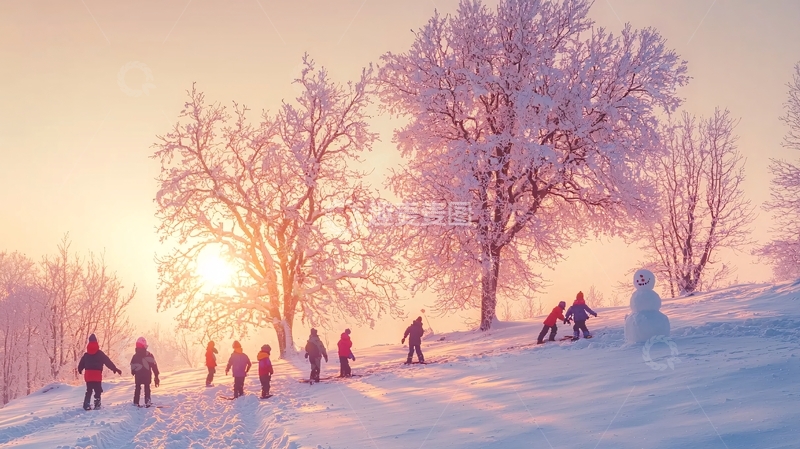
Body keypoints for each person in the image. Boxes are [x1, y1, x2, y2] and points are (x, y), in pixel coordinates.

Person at [77, 333, 122, 410]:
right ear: (96, 342)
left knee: (89, 390)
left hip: (88, 375)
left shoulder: (86, 355)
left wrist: (80, 369)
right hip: (97, 375)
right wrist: (114, 369)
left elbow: (81, 364)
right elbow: (107, 361)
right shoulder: (100, 354)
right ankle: (97, 404)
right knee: (97, 391)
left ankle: (86, 404)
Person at [130, 336, 160, 407]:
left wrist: (133, 372)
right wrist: (156, 375)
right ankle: (147, 401)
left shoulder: (135, 356)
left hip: (138, 376)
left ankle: (136, 402)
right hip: (147, 375)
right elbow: (154, 365)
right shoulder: (149, 355)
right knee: (147, 387)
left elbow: (132, 365)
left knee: (137, 388)